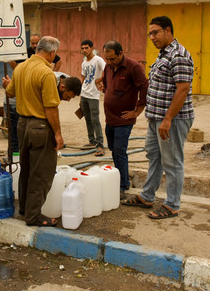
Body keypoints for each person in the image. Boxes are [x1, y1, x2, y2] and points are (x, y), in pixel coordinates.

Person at [123, 16, 194, 220]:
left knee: (172, 162)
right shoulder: (163, 55)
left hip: (172, 120)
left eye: (156, 32)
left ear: (168, 31)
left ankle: (172, 205)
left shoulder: (178, 55)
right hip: (156, 119)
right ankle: (147, 196)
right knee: (154, 157)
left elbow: (182, 90)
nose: (152, 37)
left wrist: (168, 119)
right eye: (150, 33)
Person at [3, 36, 63, 227]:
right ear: (52, 53)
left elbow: (10, 92)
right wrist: (58, 133)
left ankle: (25, 209)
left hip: (22, 124)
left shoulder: (20, 68)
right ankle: (34, 215)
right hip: (40, 126)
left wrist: (7, 84)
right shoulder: (46, 73)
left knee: (26, 168)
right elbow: (51, 107)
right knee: (41, 173)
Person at [98, 41, 148, 198]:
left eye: (112, 59)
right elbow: (106, 84)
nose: (109, 62)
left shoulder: (133, 67)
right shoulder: (108, 66)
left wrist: (138, 110)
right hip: (109, 118)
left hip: (124, 119)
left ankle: (123, 185)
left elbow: (145, 86)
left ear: (120, 53)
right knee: (114, 150)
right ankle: (120, 178)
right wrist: (106, 90)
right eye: (107, 59)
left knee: (120, 151)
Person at [80, 39, 106, 156]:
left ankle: (100, 145)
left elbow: (107, 70)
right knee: (88, 119)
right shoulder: (84, 63)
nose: (84, 50)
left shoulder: (98, 60)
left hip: (94, 95)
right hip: (84, 94)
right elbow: (83, 78)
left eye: (86, 48)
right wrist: (80, 95)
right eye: (83, 48)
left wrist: (101, 80)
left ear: (91, 48)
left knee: (95, 119)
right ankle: (92, 141)